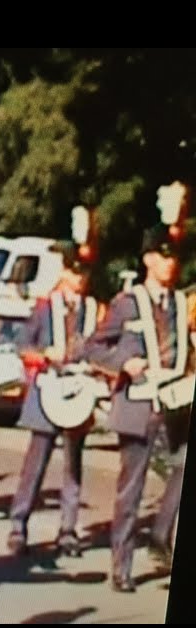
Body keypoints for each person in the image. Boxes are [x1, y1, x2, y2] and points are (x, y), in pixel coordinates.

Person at [87, 211, 190, 592]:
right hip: (137, 404)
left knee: (182, 468)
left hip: (176, 404)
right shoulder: (128, 303)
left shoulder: (180, 302)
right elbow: (93, 347)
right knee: (130, 490)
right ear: (148, 259)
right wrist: (122, 363)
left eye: (173, 256)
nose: (170, 263)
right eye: (163, 255)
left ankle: (161, 536)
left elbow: (183, 346)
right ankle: (121, 565)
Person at [7, 238, 102, 558]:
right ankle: (18, 524)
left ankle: (68, 529)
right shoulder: (46, 306)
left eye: (84, 273)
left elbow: (101, 348)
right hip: (47, 389)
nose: (80, 280)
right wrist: (45, 353)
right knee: (36, 461)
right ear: (64, 271)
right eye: (75, 272)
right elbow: (22, 346)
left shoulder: (92, 310)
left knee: (73, 464)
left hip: (77, 392)